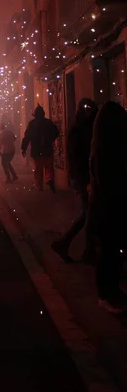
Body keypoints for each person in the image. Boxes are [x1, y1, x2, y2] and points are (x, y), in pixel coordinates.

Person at [88, 101, 127, 314]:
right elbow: (106, 181)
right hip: (106, 207)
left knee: (113, 252)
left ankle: (112, 291)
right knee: (108, 252)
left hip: (111, 206)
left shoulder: (108, 147)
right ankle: (106, 295)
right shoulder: (103, 151)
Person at [52, 99, 98, 263]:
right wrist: (83, 181)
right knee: (89, 213)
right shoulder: (78, 129)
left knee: (90, 214)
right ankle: (76, 246)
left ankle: (76, 246)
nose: (88, 112)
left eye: (90, 109)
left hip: (90, 177)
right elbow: (76, 157)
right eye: (85, 109)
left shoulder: (90, 127)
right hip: (83, 178)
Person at [21, 105, 59, 193]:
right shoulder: (48, 122)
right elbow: (56, 132)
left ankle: (39, 186)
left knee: (38, 168)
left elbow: (27, 137)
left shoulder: (32, 124)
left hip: (36, 149)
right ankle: (49, 179)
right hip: (47, 148)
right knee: (48, 166)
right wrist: (50, 138)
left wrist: (24, 148)